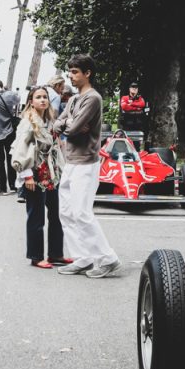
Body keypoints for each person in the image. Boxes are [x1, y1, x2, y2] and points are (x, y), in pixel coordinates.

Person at [54, 54, 120, 278]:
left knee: (81, 212)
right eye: (70, 72)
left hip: (86, 162)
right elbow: (58, 123)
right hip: (70, 161)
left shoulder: (93, 99)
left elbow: (71, 129)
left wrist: (69, 125)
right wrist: (69, 124)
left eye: (75, 72)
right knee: (66, 212)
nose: (71, 76)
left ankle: (107, 258)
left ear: (87, 73)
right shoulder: (73, 100)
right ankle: (83, 257)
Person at [11, 86, 71, 269]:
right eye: (38, 97)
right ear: (31, 101)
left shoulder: (49, 120)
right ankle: (36, 256)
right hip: (35, 175)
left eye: (45, 97)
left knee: (56, 215)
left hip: (52, 174)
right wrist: (26, 175)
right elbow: (19, 150)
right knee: (36, 217)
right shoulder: (27, 122)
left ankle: (56, 253)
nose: (43, 100)